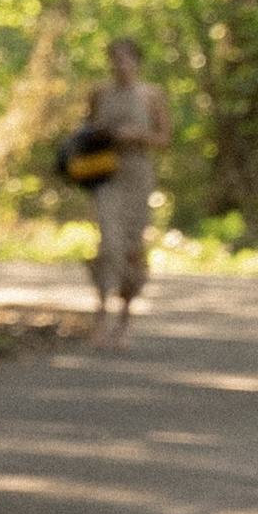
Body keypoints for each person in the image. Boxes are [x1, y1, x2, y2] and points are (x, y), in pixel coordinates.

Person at [85, 32, 171, 335]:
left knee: (133, 246)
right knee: (109, 243)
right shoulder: (100, 93)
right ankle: (100, 312)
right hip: (106, 173)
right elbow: (85, 130)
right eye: (115, 59)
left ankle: (124, 318)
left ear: (137, 62)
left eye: (126, 59)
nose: (120, 64)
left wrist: (137, 135)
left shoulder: (151, 95)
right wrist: (102, 133)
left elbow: (164, 138)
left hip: (137, 173)